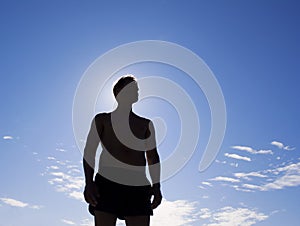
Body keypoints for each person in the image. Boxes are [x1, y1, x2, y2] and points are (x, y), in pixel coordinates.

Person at [83, 75, 162, 226]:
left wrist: (157, 187)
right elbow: (89, 152)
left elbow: (152, 157)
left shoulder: (145, 124)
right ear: (118, 91)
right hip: (107, 181)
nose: (136, 91)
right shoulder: (102, 120)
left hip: (137, 183)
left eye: (136, 89)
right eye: (131, 88)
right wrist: (89, 183)